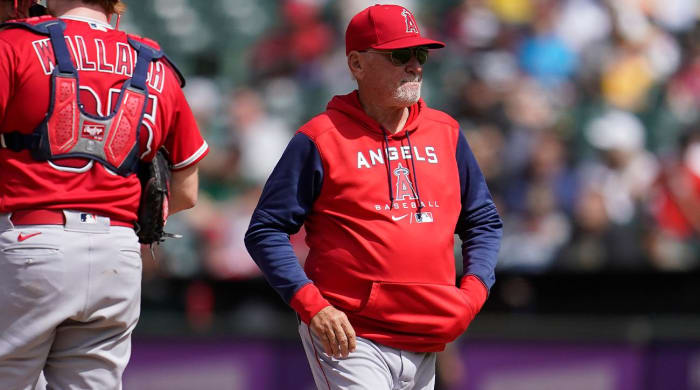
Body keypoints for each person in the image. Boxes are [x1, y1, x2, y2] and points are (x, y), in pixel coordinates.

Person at [245, 4, 502, 389]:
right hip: (351, 335)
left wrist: (474, 292)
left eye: (420, 55)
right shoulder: (320, 138)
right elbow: (265, 229)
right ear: (357, 64)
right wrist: (313, 306)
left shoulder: (445, 132)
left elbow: (483, 221)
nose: (414, 65)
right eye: (400, 55)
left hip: (426, 332)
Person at [0, 1, 208, 388]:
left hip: (30, 241)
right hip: (118, 252)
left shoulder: (14, 44)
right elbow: (188, 190)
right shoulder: (154, 63)